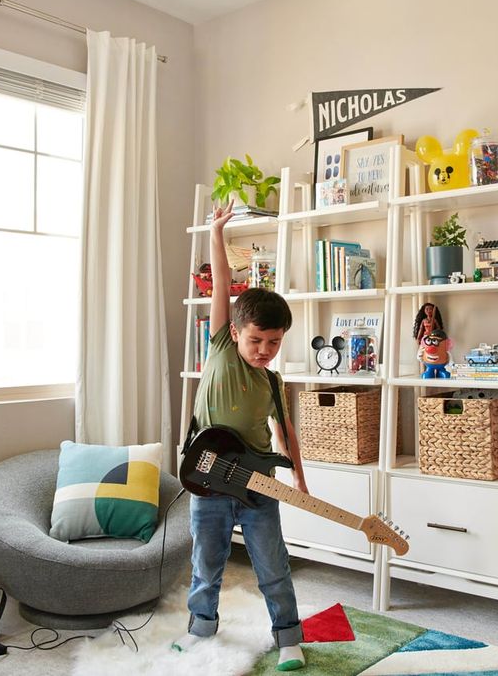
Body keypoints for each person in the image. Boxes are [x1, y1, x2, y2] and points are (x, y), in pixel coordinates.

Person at [174, 199, 309, 672]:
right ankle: (200, 629)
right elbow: (224, 288)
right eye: (256, 340)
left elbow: (284, 429)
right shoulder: (220, 348)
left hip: (255, 482)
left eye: (274, 342)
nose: (264, 350)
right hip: (209, 481)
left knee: (272, 566)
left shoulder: (271, 380)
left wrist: (300, 479)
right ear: (233, 333)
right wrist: (217, 232)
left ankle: (289, 638)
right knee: (206, 565)